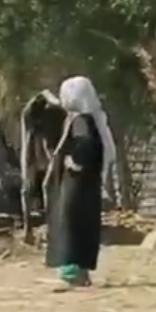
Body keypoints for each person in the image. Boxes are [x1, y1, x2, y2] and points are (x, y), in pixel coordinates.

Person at [43, 76, 116, 288]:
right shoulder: (88, 119)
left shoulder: (81, 121)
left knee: (71, 224)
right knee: (82, 224)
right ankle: (81, 272)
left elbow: (86, 144)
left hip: (75, 185)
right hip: (85, 186)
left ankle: (72, 272)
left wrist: (75, 161)